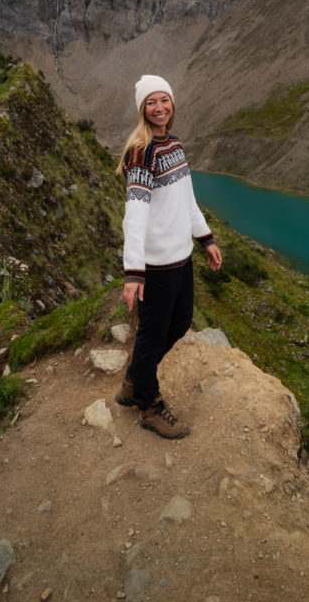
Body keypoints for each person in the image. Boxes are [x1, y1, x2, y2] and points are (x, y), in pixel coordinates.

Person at [114, 74, 222, 438]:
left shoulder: (172, 143)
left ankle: (133, 380)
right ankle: (148, 405)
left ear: (172, 104)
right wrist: (133, 272)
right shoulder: (140, 152)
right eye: (151, 102)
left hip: (182, 257)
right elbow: (137, 213)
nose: (159, 107)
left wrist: (204, 237)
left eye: (164, 100)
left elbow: (185, 199)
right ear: (142, 109)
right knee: (151, 335)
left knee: (178, 324)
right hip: (156, 266)